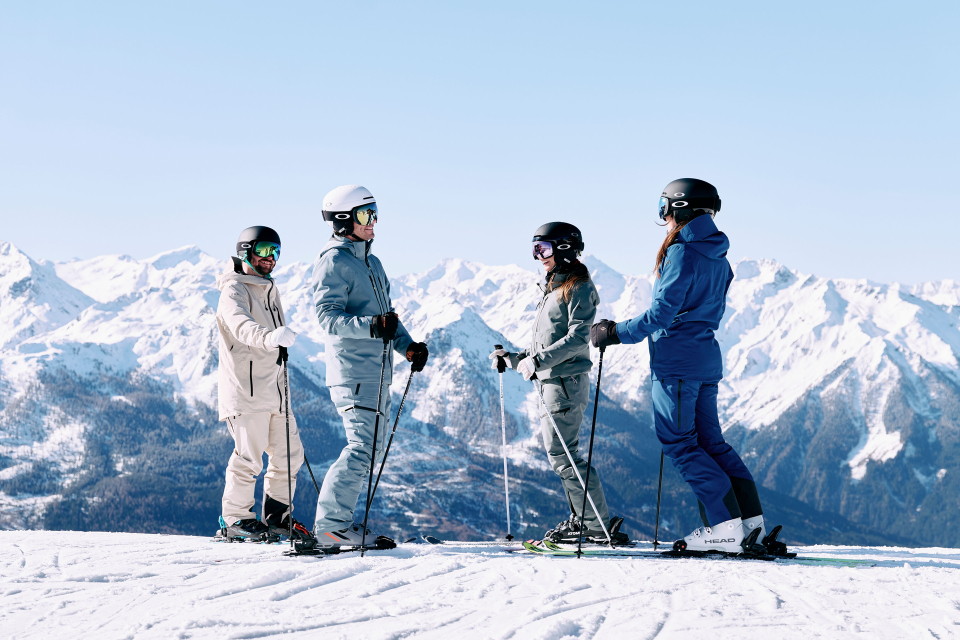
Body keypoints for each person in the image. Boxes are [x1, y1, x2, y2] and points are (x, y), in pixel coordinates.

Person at [590, 179, 768, 554]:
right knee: (711, 443)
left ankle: (724, 528)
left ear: (681, 208)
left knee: (680, 443)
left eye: (664, 207)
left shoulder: (682, 253)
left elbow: (661, 313)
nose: (664, 217)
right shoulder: (719, 255)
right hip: (705, 358)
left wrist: (614, 332)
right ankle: (752, 525)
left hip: (677, 363)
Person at [489, 222, 629, 545]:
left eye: (544, 249)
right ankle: (585, 519)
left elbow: (578, 339)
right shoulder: (553, 289)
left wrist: (536, 363)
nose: (539, 257)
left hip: (565, 384)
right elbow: (544, 346)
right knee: (562, 456)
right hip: (552, 383)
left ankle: (595, 525)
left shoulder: (579, 288)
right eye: (535, 249)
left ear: (565, 249)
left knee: (565, 457)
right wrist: (513, 358)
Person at [312, 185, 429, 549]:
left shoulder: (371, 263)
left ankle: (339, 524)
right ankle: (330, 526)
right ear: (344, 220)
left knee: (371, 451)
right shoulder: (334, 261)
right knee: (361, 448)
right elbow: (327, 318)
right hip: (354, 373)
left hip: (377, 374)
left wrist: (408, 346)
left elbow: (386, 320)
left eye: (375, 212)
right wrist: (370, 326)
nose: (374, 221)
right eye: (366, 214)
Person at [215, 226, 317, 546]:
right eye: (263, 251)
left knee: (290, 453)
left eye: (275, 252)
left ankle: (277, 516)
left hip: (274, 392)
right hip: (246, 392)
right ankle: (236, 519)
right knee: (249, 457)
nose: (270, 259)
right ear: (246, 251)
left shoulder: (269, 290)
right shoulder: (233, 291)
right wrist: (270, 337)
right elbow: (242, 328)